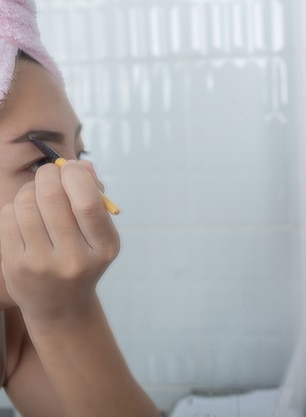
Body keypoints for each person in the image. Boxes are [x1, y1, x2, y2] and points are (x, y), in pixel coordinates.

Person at [0, 1, 161, 416]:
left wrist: (64, 314)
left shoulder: (11, 328)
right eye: (42, 162)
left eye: (81, 153)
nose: (84, 188)